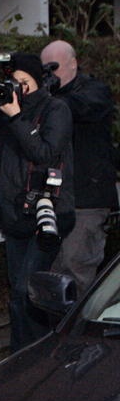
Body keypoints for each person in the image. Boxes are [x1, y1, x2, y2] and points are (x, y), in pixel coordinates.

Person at [0, 53, 75, 353]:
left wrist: (17, 117)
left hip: (48, 216)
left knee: (24, 290)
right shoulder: (6, 112)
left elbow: (44, 153)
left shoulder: (57, 109)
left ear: (38, 82)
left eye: (24, 83)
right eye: (13, 83)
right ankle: (29, 354)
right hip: (15, 216)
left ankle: (28, 356)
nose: (18, 89)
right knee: (22, 291)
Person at [41, 40, 119, 296]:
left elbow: (80, 108)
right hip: (55, 199)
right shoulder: (51, 99)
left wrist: (45, 98)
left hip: (87, 200)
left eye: (54, 67)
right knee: (52, 274)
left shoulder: (95, 91)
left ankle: (79, 332)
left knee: (77, 271)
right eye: (44, 70)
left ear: (73, 64)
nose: (49, 75)